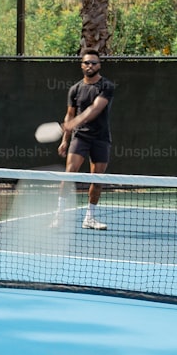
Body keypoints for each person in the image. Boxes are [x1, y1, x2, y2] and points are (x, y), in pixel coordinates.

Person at [53, 48, 115, 230]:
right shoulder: (75, 89)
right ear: (82, 65)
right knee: (69, 174)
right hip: (80, 137)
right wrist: (65, 140)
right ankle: (59, 217)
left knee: (97, 179)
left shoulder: (107, 86)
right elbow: (69, 114)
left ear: (99, 65)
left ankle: (89, 218)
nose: (90, 66)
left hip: (101, 138)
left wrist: (72, 123)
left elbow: (95, 109)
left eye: (94, 63)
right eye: (87, 62)